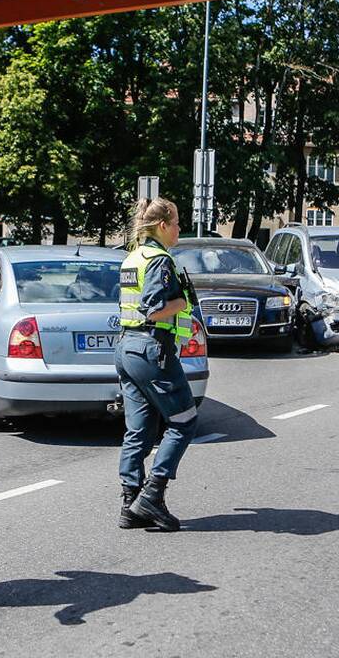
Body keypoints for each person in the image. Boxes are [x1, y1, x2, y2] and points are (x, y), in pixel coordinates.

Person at [116, 197, 199, 532]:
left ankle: (130, 502)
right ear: (162, 226)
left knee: (140, 428)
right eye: (177, 222)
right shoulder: (160, 260)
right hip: (152, 349)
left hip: (127, 348)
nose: (180, 228)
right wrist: (182, 300)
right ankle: (152, 495)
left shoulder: (132, 258)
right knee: (184, 421)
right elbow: (153, 309)